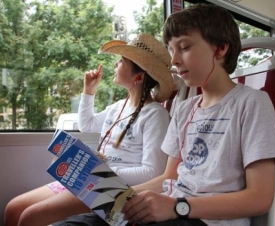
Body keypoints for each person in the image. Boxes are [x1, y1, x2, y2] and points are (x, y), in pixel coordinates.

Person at [51, 3, 275, 226]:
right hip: (173, 208)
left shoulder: (251, 103)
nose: (174, 60)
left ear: (220, 48)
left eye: (184, 48)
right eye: (171, 50)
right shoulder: (184, 109)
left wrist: (178, 206)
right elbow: (168, 178)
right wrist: (124, 198)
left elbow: (259, 198)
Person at [4, 33, 175, 226]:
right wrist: (89, 91)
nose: (115, 64)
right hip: (91, 177)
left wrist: (98, 170)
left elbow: (153, 172)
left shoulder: (155, 116)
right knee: (13, 208)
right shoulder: (119, 107)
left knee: (29, 217)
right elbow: (88, 124)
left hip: (113, 187)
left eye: (121, 61)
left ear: (138, 77)